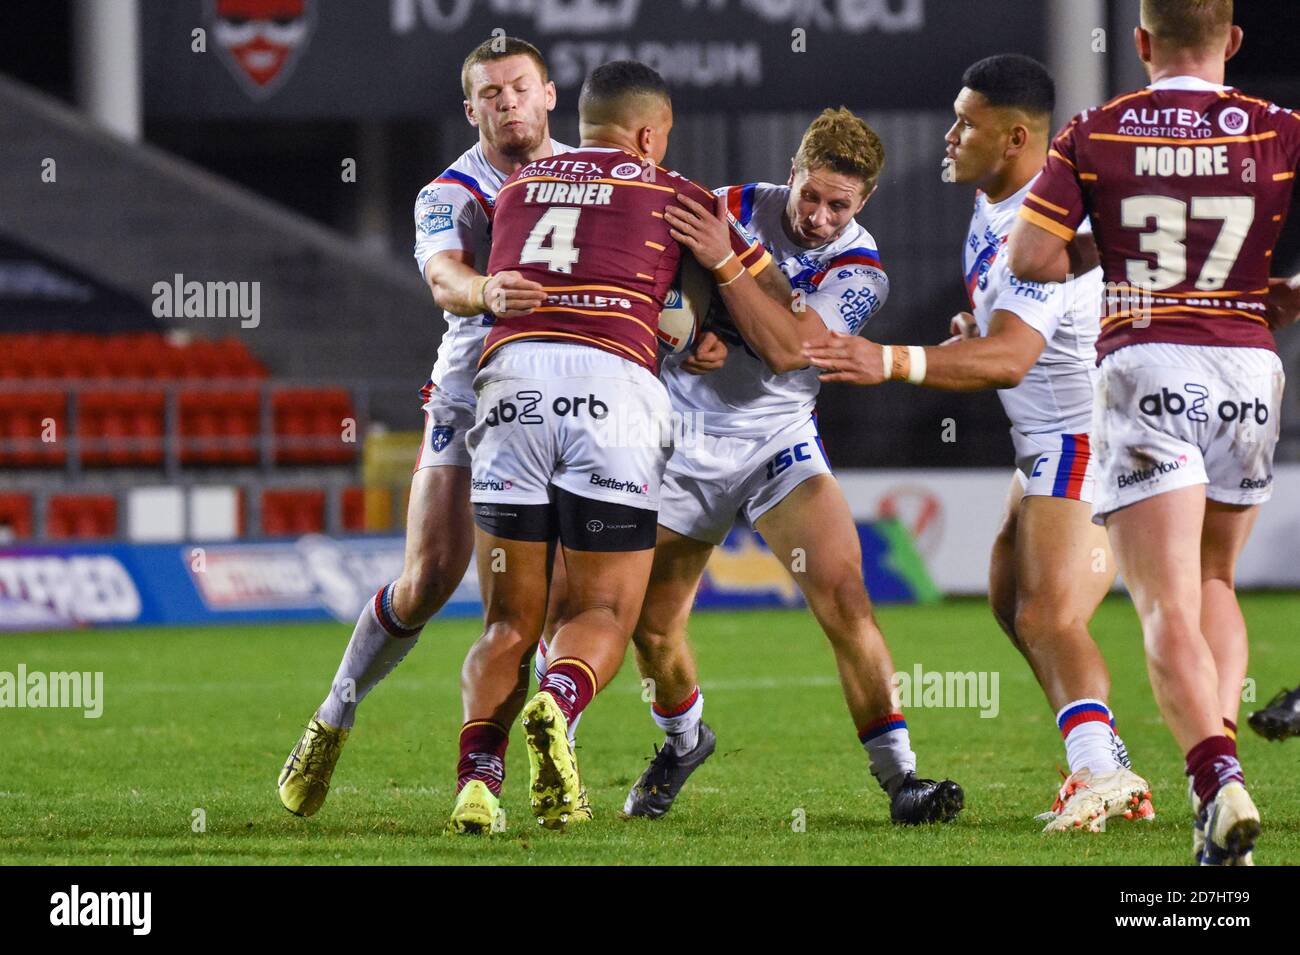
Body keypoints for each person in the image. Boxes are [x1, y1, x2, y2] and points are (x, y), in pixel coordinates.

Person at [801, 58, 1154, 832]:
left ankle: (1102, 771)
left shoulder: (1043, 219)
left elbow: (1014, 356)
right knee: (1010, 597)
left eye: (967, 122)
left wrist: (893, 360)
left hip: (1085, 433)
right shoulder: (994, 202)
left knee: (1049, 615)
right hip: (1050, 437)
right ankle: (1107, 757)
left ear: (1016, 137)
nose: (950, 134)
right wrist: (977, 332)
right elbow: (1008, 332)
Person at [1007, 0, 1300, 864]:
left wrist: (1106, 243)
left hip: (1145, 365)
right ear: (1232, 41)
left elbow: (1030, 259)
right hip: (1249, 370)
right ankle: (1221, 785)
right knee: (1215, 578)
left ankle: (1215, 779)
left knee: (1163, 597)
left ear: (1138, 42)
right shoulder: (1278, 127)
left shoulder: (1096, 130)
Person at [615, 107, 965, 825]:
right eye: (811, 196)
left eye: (840, 205)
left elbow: (791, 349)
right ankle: (683, 743)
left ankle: (903, 781)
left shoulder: (863, 270)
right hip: (682, 439)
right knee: (650, 627)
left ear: (862, 202)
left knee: (845, 596)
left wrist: (727, 267)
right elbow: (649, 281)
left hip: (778, 441)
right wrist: (678, 334)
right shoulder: (736, 204)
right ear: (794, 174)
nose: (819, 218)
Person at [451, 60, 775, 831]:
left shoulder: (517, 187)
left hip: (512, 382)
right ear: (648, 133)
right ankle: (558, 703)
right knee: (602, 608)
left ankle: (477, 785)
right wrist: (704, 323)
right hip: (612, 391)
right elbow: (768, 305)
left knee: (506, 625)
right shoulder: (678, 192)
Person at [277, 37, 567, 818]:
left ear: (549, 94)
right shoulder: (449, 193)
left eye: (519, 87)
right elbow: (444, 273)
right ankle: (335, 712)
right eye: (489, 94)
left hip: (572, 403)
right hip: (472, 399)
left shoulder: (589, 176)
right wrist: (486, 292)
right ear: (470, 110)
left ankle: (512, 768)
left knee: (556, 600)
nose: (507, 102)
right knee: (430, 578)